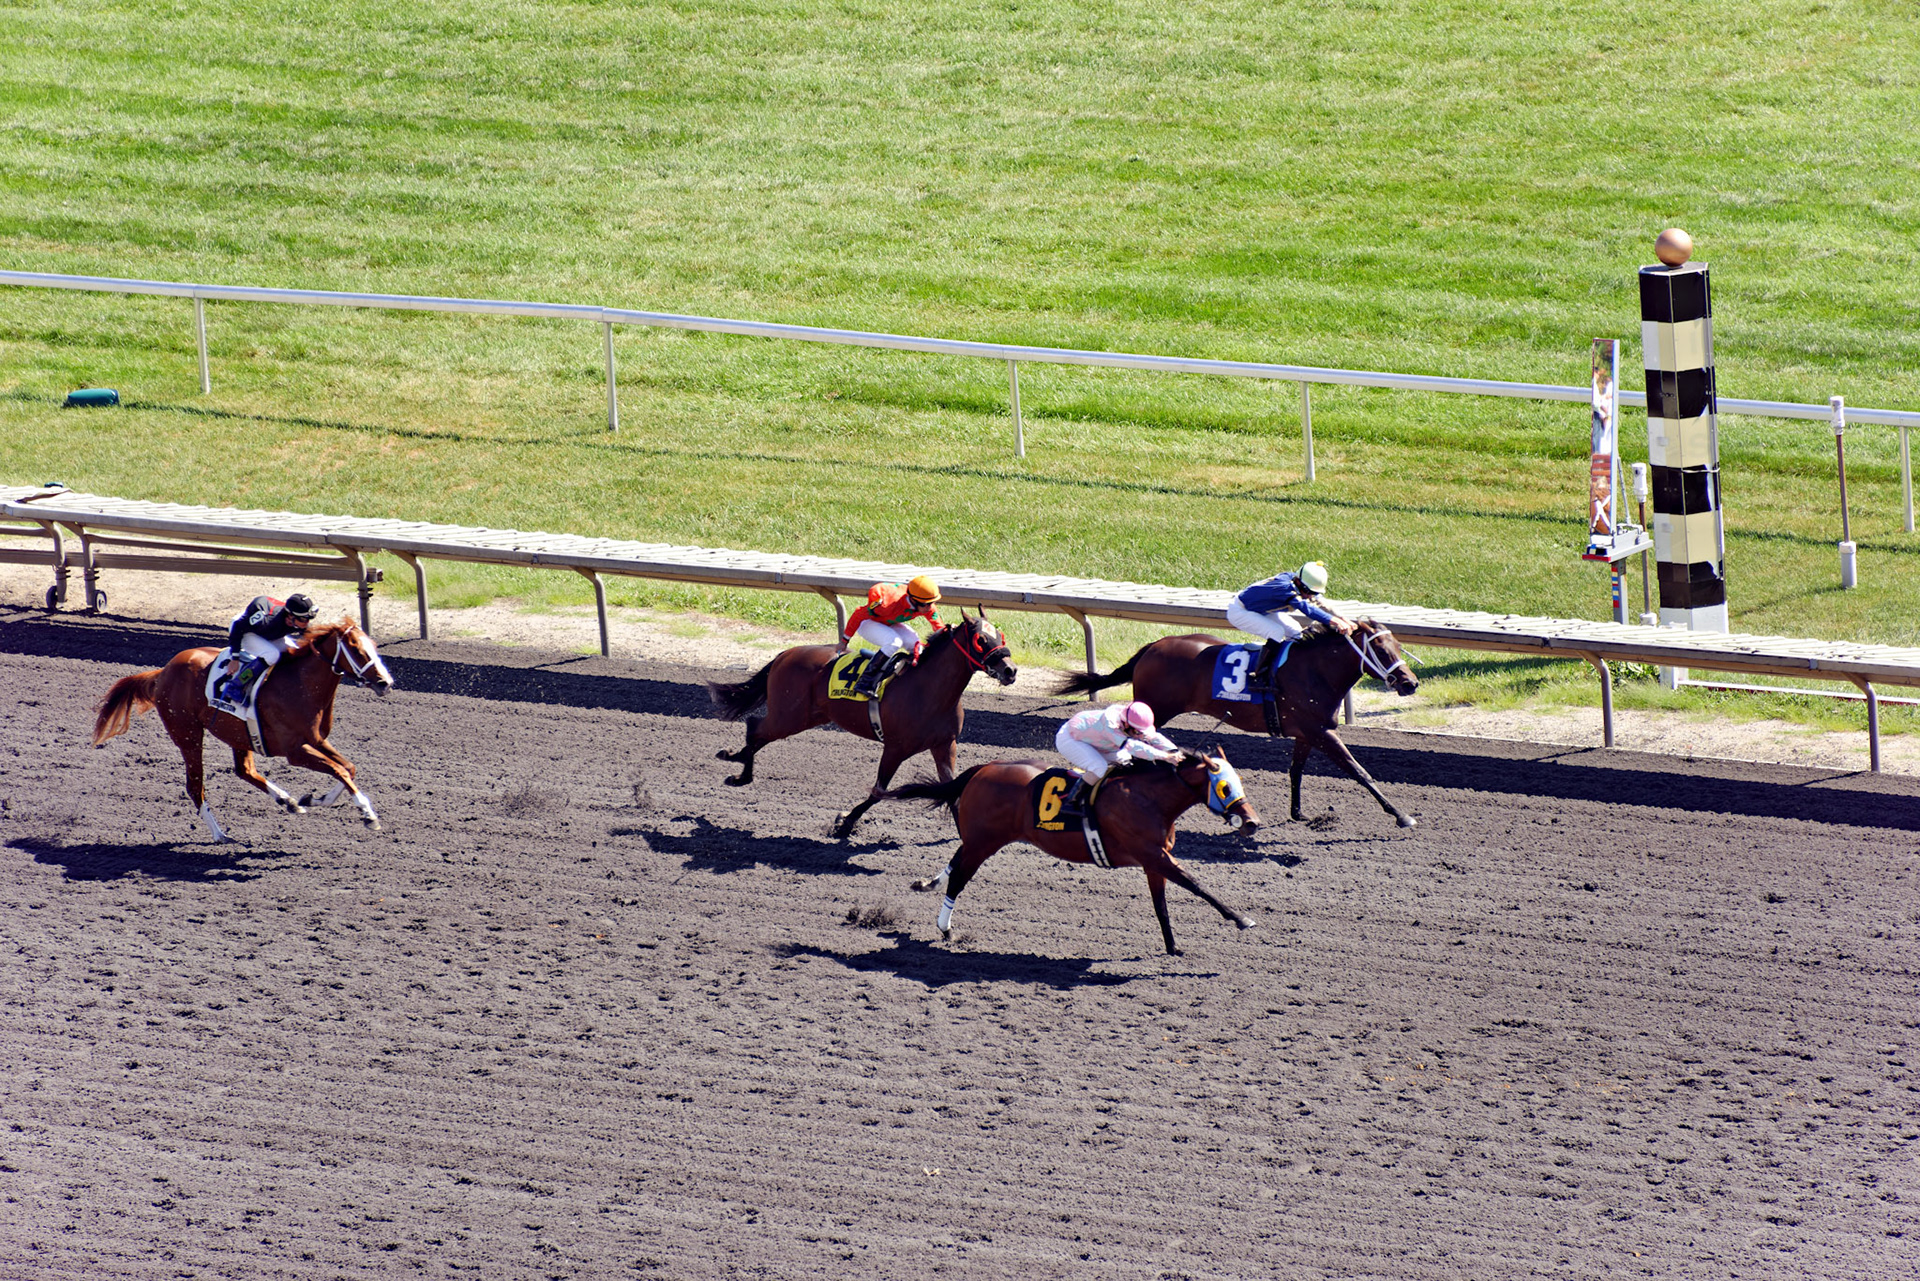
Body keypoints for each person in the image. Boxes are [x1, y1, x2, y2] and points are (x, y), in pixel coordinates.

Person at [1227, 561, 1354, 689]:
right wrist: (1335, 621)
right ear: (1298, 581)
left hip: (1263, 609)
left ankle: (1292, 670)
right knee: (1276, 632)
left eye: (1313, 592)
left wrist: (1343, 619)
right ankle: (1258, 677)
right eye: (1307, 591)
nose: (1308, 595)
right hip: (1241, 611)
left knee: (1295, 632)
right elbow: (1308, 609)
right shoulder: (1285, 588)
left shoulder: (1300, 583)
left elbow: (1322, 603)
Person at [1055, 700, 1182, 811]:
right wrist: (1164, 756)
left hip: (1099, 743)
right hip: (1071, 739)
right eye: (1137, 732)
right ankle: (1071, 802)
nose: (1139, 736)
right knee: (1099, 767)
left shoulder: (1130, 723)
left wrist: (1174, 751)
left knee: (1127, 763)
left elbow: (1153, 737)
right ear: (1126, 724)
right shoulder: (1111, 725)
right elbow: (1132, 747)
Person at [842, 575, 944, 697]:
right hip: (867, 623)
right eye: (925, 604)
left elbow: (939, 628)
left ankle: (911, 679)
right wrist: (844, 641)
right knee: (894, 642)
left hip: (889, 622)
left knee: (915, 644)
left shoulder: (926, 604)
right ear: (913, 600)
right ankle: (865, 682)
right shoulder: (887, 603)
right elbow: (858, 614)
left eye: (932, 603)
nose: (929, 607)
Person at [216, 592, 319, 707]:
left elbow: (310, 635)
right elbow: (237, 627)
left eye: (308, 619)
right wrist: (235, 658)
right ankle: (235, 686)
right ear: (290, 616)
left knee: (294, 651)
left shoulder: (293, 619)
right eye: (304, 619)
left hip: (268, 633)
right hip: (245, 631)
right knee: (272, 654)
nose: (307, 623)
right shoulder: (266, 618)